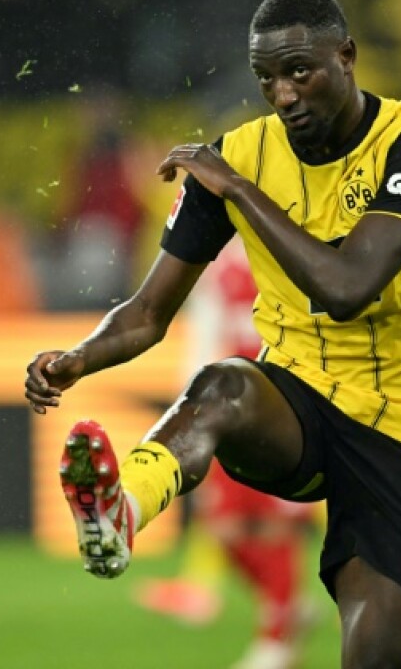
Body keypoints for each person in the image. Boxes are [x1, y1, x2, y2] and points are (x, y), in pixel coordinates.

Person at [25, 0, 401, 668]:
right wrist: (78, 358)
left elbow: (348, 287)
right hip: (298, 401)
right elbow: (149, 312)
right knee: (224, 387)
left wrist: (234, 188)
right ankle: (121, 514)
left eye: (301, 71)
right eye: (267, 78)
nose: (284, 94)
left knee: (379, 656)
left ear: (347, 56)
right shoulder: (241, 152)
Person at [134, 237, 319, 669]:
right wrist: (192, 412)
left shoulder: (299, 251)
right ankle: (286, 606)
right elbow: (203, 338)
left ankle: (276, 638)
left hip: (294, 403)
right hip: (238, 410)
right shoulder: (217, 265)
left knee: (279, 525)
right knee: (224, 526)